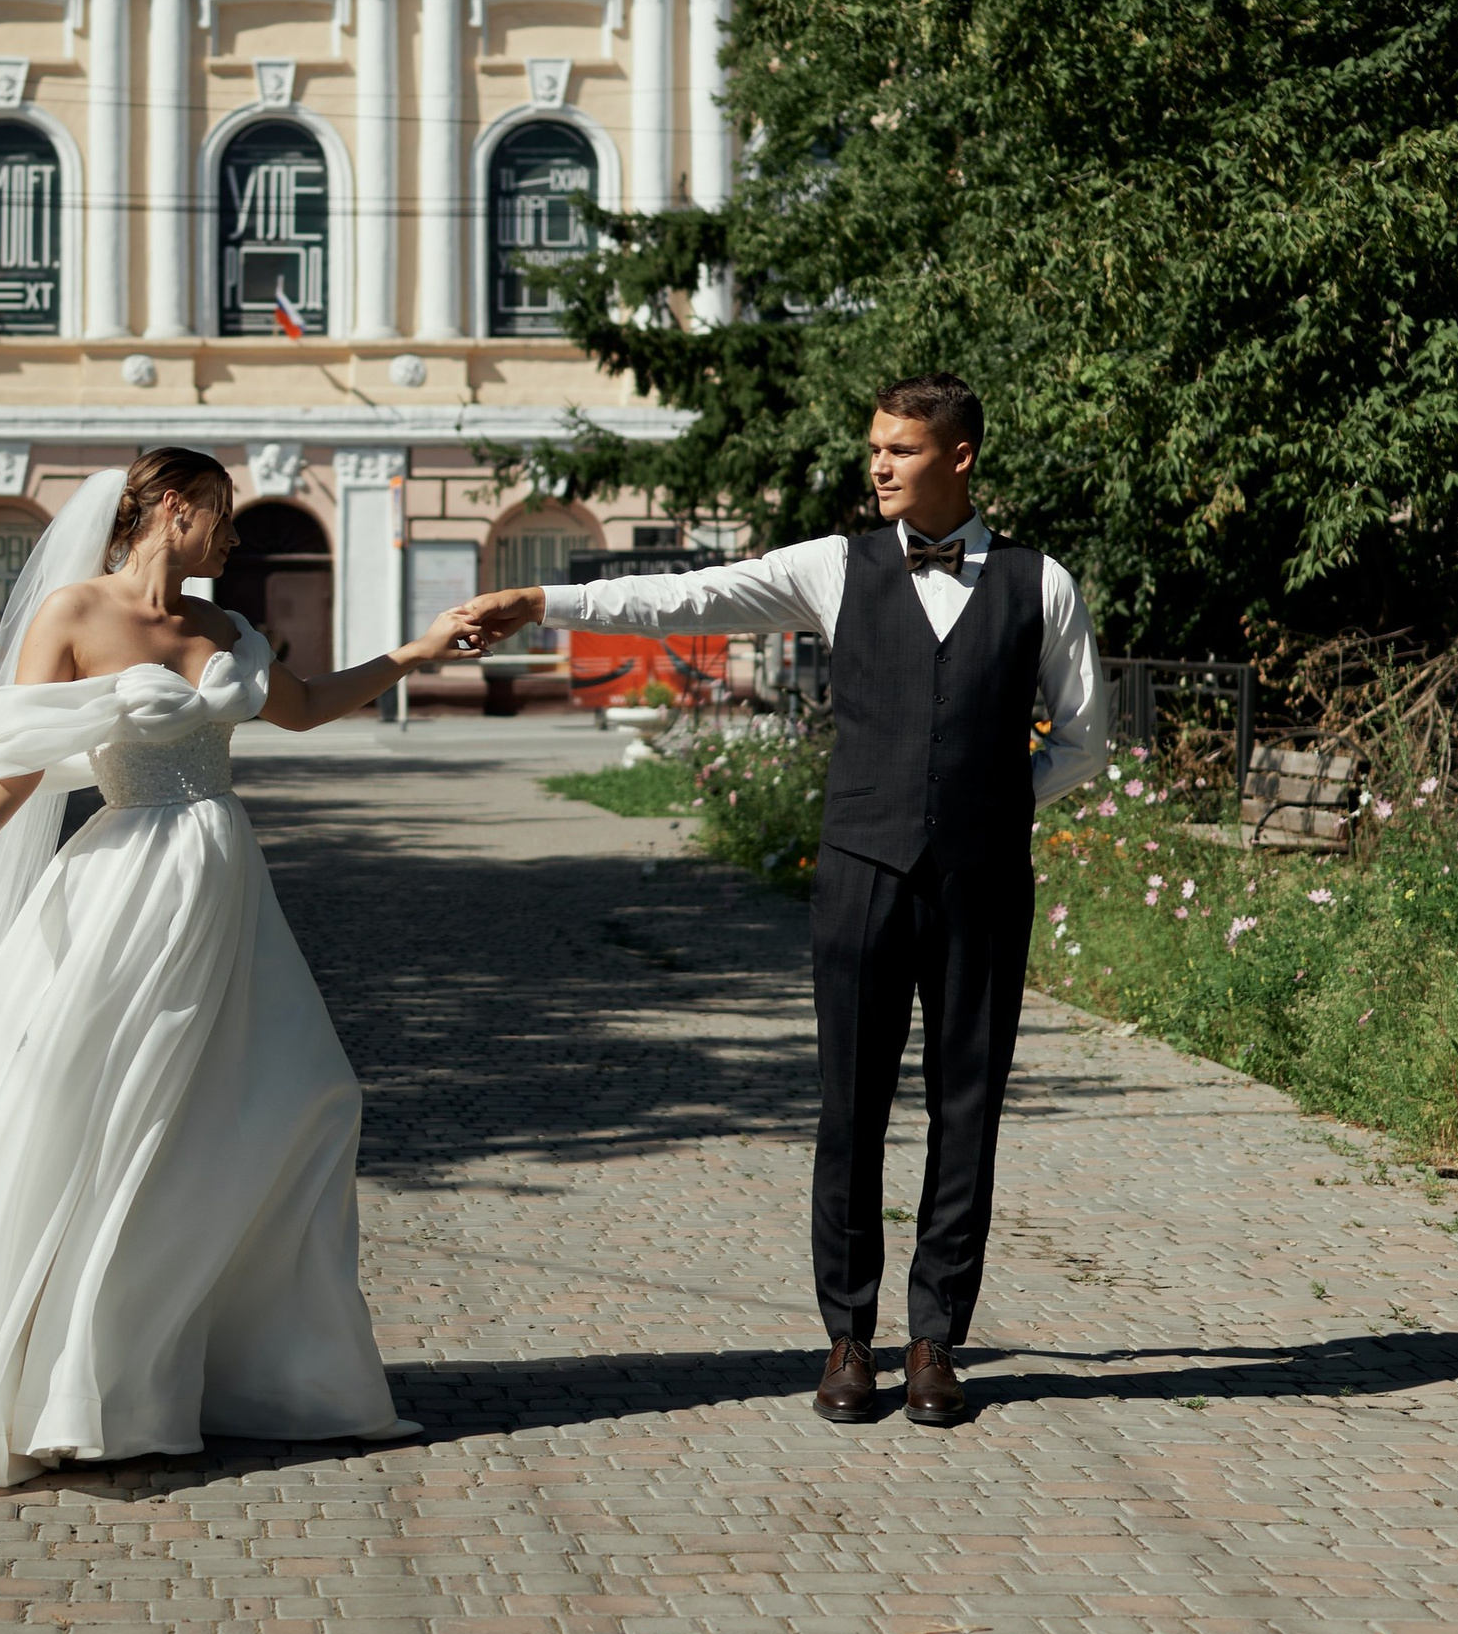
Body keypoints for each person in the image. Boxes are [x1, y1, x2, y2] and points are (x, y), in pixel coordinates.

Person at [0, 449, 473, 1491]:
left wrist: (418, 649)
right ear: (174, 510)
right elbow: (15, 759)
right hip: (123, 886)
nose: (232, 539)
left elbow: (302, 708)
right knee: (96, 1114)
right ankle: (69, 1384)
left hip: (225, 892)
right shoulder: (73, 614)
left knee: (294, 1102)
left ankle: (238, 1368)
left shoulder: (222, 628)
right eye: (221, 518)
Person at [460, 378, 1107, 1430]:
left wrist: (986, 808)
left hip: (983, 882)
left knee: (966, 1109)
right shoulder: (831, 568)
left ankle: (935, 1338)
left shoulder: (1042, 584)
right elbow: (683, 596)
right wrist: (544, 603)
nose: (879, 466)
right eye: (874, 449)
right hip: (858, 871)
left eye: (901, 449)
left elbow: (1083, 739)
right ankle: (847, 1337)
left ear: (962, 458)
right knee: (848, 1108)